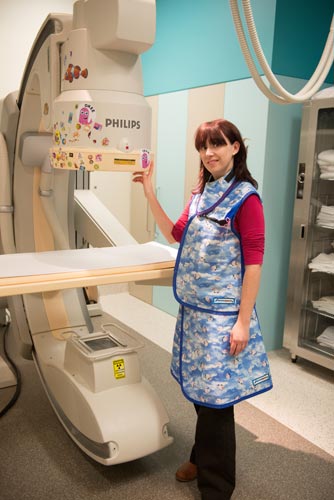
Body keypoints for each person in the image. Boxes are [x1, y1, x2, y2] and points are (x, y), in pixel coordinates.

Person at [133, 118, 273, 500]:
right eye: (202, 147)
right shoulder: (202, 193)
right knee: (200, 393)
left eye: (217, 145)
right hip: (195, 315)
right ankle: (200, 454)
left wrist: (243, 322)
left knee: (216, 403)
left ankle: (216, 486)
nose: (208, 153)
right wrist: (148, 192)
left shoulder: (247, 198)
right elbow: (175, 234)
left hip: (223, 319)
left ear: (235, 148)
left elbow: (255, 262)